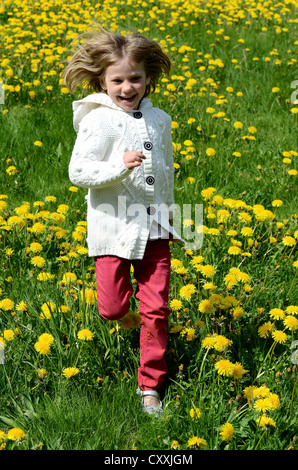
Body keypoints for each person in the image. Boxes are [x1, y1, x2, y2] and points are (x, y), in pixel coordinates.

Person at [63, 27, 183, 416]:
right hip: (114, 228)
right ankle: (133, 320)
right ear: (102, 80)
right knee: (113, 309)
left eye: (135, 78)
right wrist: (119, 167)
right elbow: (78, 171)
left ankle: (151, 385)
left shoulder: (161, 119)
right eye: (117, 80)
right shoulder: (98, 121)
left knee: (157, 308)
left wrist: (170, 217)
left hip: (155, 229)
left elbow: (164, 172)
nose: (127, 87)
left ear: (149, 78)